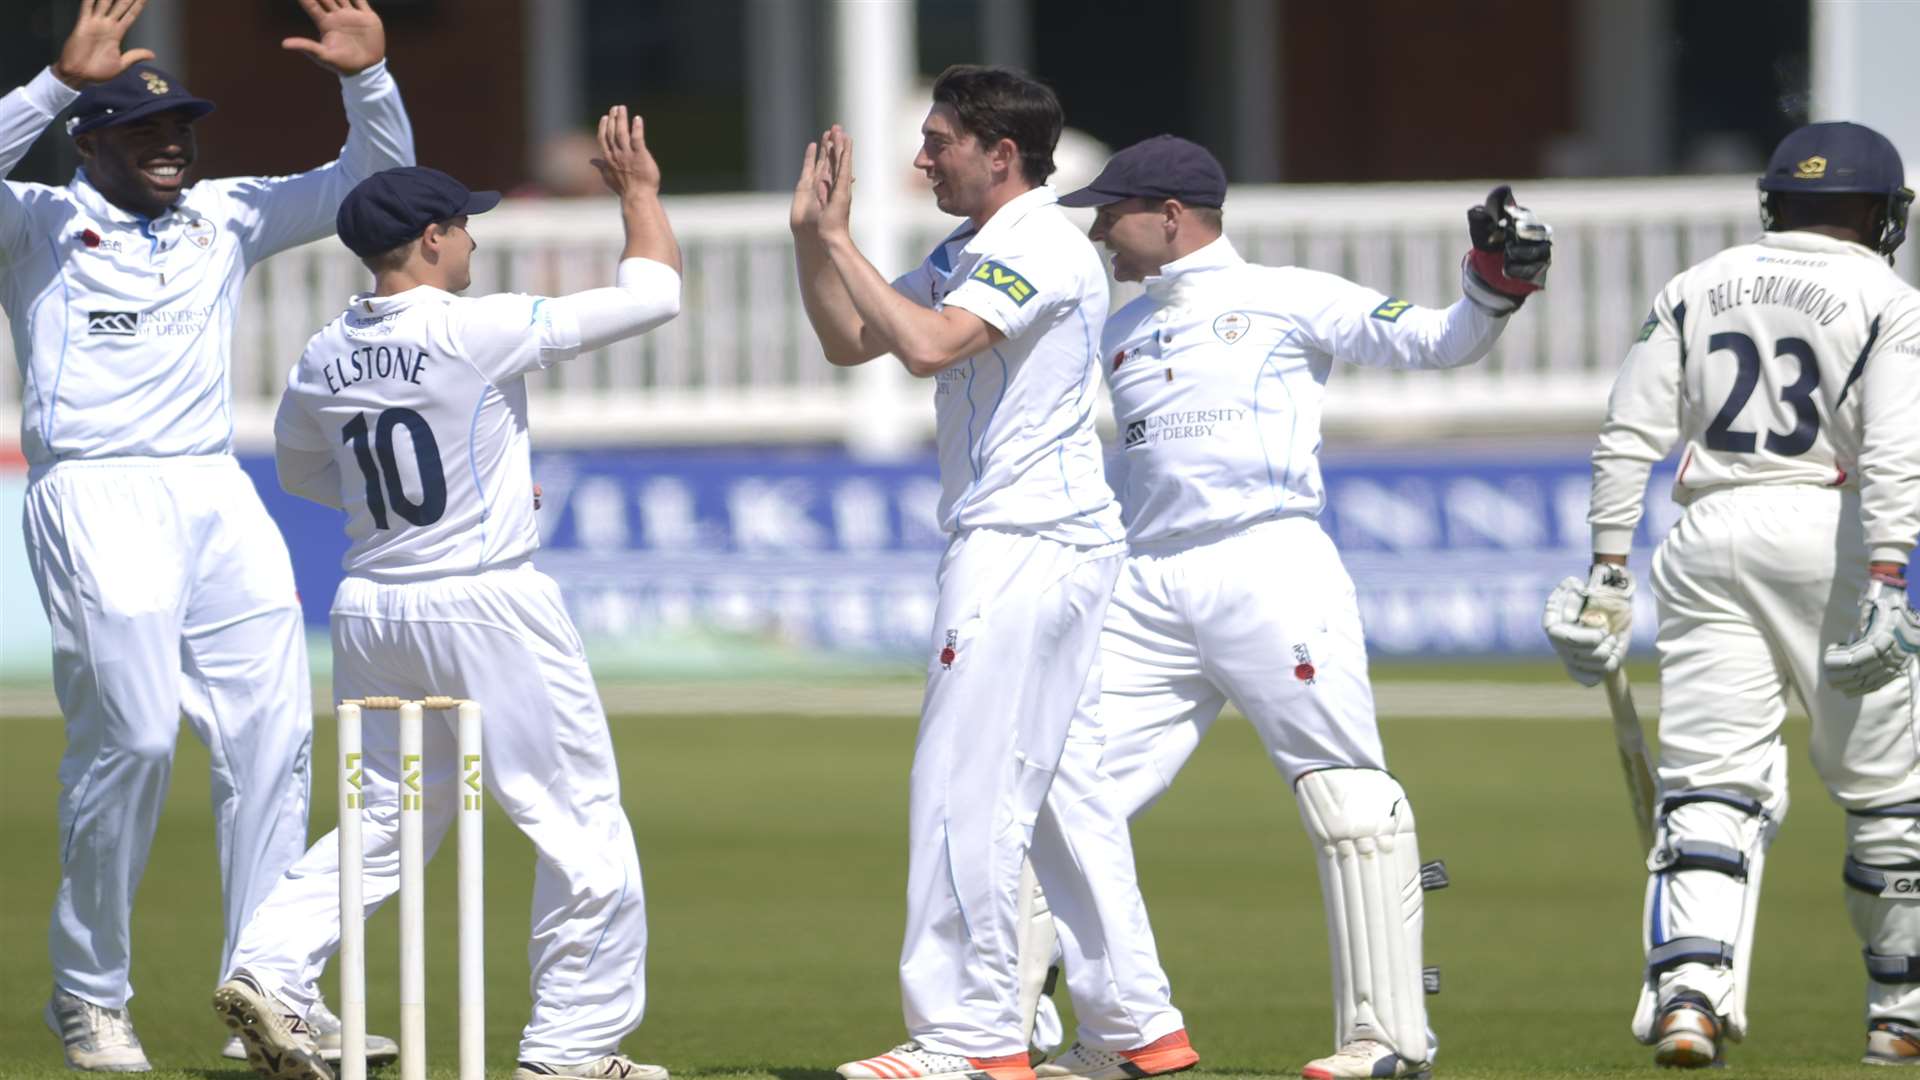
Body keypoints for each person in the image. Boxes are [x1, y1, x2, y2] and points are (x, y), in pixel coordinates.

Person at [1011, 135, 1552, 1080]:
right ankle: (1080, 1039)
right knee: (1053, 796)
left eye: (1114, 212)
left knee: (1347, 804)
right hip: (1145, 582)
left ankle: (1387, 1043)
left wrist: (1493, 285)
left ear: (1171, 215)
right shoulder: (1118, 329)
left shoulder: (1291, 294)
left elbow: (1436, 340)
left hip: (1269, 562)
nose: (1100, 232)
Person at [208, 107, 682, 1080]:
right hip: (487, 603)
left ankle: (270, 967)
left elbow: (305, 472)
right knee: (575, 818)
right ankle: (571, 1048)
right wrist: (638, 195)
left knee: (387, 813)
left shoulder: (324, 354)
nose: (472, 237)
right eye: (463, 224)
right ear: (431, 239)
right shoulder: (480, 326)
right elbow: (654, 296)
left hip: (376, 600)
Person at [3, 0, 415, 1070]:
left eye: (180, 128)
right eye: (144, 132)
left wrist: (367, 78)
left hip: (216, 489)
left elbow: (369, 187)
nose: (170, 145)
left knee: (272, 743)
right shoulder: (38, 219)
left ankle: (269, 989)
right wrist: (51, 85)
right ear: (90, 140)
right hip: (94, 492)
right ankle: (89, 994)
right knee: (133, 739)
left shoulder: (222, 216)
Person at [789, 66, 1196, 1080]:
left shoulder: (1043, 244)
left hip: (1023, 541)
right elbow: (852, 341)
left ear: (999, 153)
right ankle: (1138, 1025)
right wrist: (812, 239)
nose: (921, 158)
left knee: (959, 789)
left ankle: (970, 1037)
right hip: (1040, 541)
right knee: (1066, 797)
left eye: (938, 141)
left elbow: (926, 349)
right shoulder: (969, 249)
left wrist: (844, 242)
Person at [1543, 121, 1920, 1069]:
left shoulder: (1695, 284)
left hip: (1705, 536)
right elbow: (1893, 451)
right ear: (1882, 213)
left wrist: (1607, 571)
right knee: (1886, 793)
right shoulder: (1889, 299)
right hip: (1825, 534)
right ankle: (1900, 1008)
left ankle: (1689, 996)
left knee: (1710, 785)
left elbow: (1627, 434)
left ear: (1773, 203)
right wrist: (1889, 572)